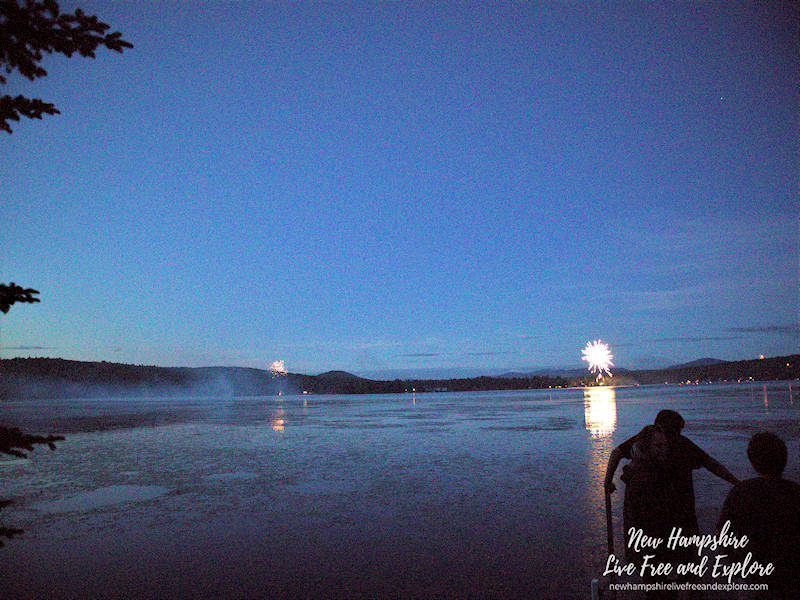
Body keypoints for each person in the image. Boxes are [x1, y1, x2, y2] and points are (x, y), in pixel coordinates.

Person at [605, 409, 739, 536]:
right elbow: (711, 464)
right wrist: (736, 482)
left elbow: (617, 453)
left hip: (654, 526)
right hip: (680, 519)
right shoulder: (680, 444)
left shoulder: (648, 444)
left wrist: (608, 481)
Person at [717, 432, 800, 598]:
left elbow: (722, 536)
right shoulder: (795, 492)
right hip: (791, 577)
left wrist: (735, 567)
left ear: (752, 461)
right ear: (784, 459)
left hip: (752, 576)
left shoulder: (741, 492)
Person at [621, 425, 680, 599]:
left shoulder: (645, 473)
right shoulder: (646, 478)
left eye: (665, 446)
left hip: (650, 551)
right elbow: (652, 519)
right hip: (654, 551)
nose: (664, 450)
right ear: (646, 449)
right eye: (658, 446)